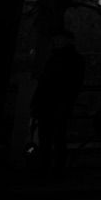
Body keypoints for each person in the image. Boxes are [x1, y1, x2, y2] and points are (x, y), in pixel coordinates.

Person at [30, 30, 85, 175]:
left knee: (54, 137)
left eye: (59, 39)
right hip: (53, 103)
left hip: (56, 103)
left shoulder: (62, 59)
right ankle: (50, 167)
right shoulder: (61, 58)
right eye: (56, 39)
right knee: (51, 137)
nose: (56, 42)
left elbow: (47, 82)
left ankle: (50, 168)